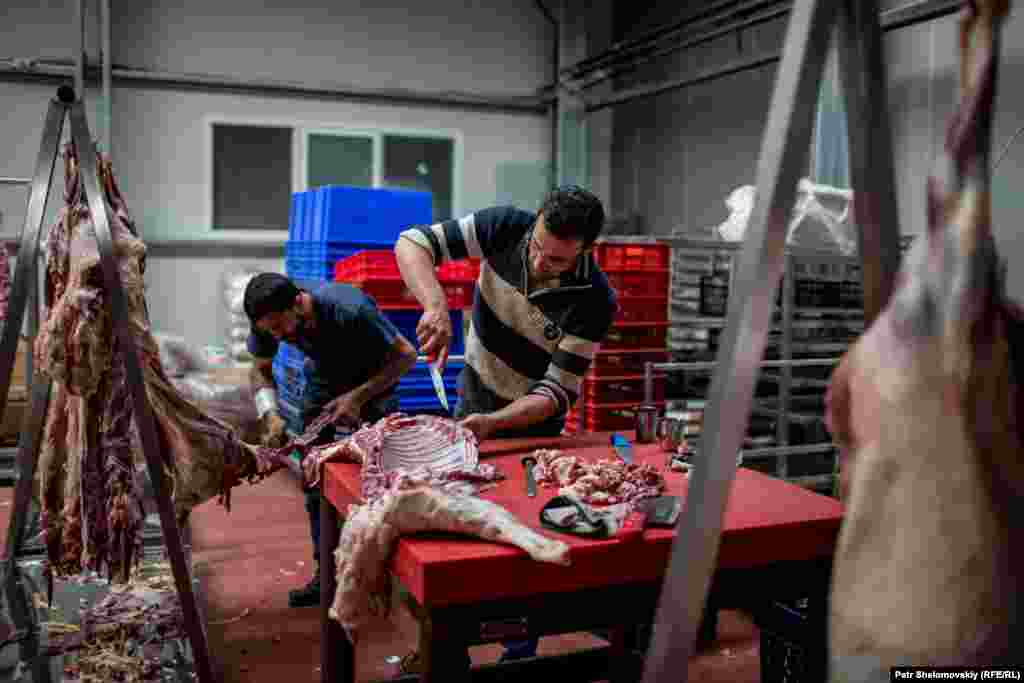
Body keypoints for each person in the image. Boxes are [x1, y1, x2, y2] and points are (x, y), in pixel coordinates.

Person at [394, 185, 617, 662]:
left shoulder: (595, 300)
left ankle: (518, 649)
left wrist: (494, 425)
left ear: (585, 251)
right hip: (471, 403)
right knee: (451, 533)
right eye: (537, 247)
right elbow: (412, 241)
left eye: (557, 261)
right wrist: (434, 304)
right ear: (534, 222)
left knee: (518, 543)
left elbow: (556, 392)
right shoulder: (503, 227)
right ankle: (439, 647)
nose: (539, 263)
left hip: (531, 434)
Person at [244, 274, 417, 608]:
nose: (278, 337)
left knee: (380, 479)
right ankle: (327, 577)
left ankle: (380, 578)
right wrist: (270, 413)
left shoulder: (349, 309)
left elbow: (406, 356)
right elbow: (260, 368)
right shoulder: (267, 317)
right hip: (323, 379)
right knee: (314, 475)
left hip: (373, 379)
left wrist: (357, 397)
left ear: (298, 302)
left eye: (281, 327)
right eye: (271, 331)